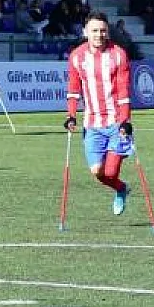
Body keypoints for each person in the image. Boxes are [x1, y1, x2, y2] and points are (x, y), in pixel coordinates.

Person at [64, 12, 135, 216]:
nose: (99, 34)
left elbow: (123, 90)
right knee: (97, 172)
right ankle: (122, 188)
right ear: (86, 32)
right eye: (94, 30)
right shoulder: (76, 56)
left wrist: (125, 121)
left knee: (111, 171)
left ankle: (119, 188)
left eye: (103, 30)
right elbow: (73, 89)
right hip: (92, 124)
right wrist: (71, 115)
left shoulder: (119, 55)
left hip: (115, 123)